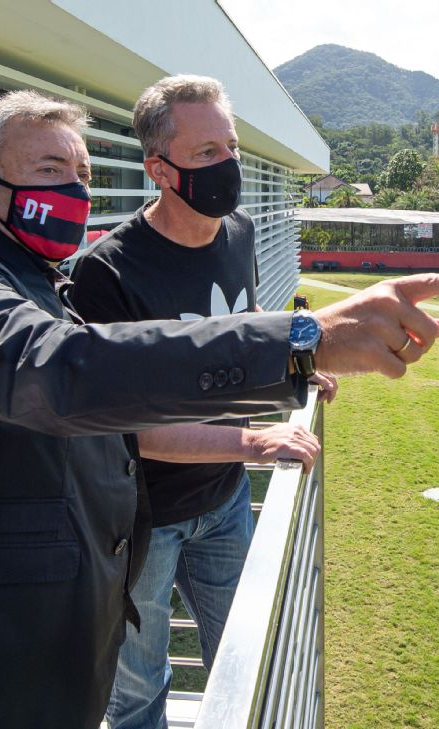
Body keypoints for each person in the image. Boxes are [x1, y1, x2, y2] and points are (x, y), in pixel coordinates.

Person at [0, 89, 439, 729]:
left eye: (82, 173)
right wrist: (297, 342)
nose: (74, 190)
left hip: (52, 655)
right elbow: (64, 372)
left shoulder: (40, 279)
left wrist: (292, 372)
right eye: (50, 170)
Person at [69, 75, 335, 728]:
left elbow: (241, 328)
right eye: (208, 153)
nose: (230, 165)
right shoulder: (105, 273)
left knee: (245, 659)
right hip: (140, 524)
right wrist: (254, 440)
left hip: (223, 502)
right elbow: (134, 428)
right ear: (159, 168)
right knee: (138, 694)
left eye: (232, 145)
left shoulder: (237, 232)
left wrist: (297, 369)